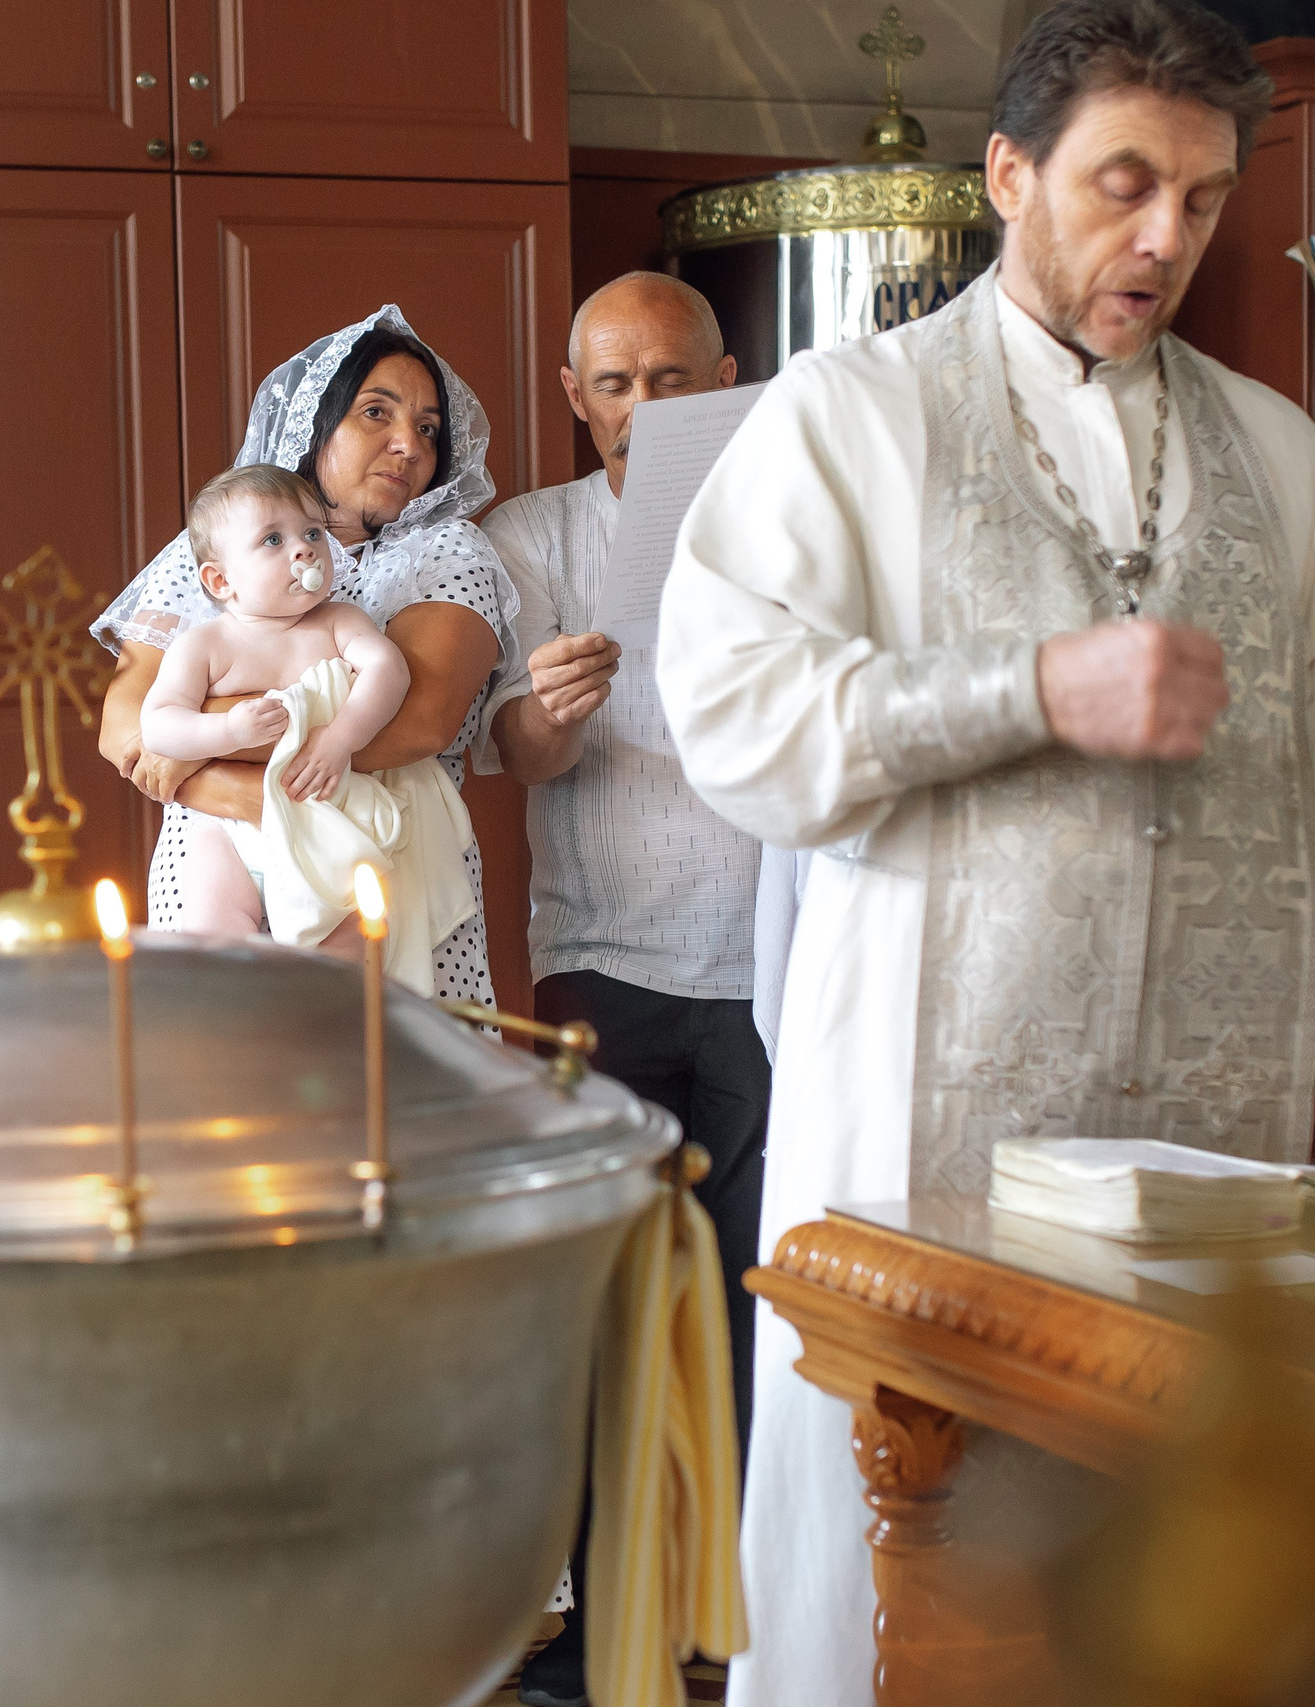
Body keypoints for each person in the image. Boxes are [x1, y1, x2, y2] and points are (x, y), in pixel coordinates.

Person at [653, 4, 1315, 1699]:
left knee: (1171, 1597)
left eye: (1203, 195)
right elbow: (733, 712)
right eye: (1121, 185)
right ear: (1010, 174)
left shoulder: (1283, 458)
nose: (1165, 237)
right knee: (896, 1605)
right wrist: (1028, 688)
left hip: (1213, 1158)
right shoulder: (851, 419)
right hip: (917, 1142)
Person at [476, 270, 765, 1707]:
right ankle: (602, 1647)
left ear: (730, 373)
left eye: (672, 381)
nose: (646, 411)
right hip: (602, 970)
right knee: (612, 1315)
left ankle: (742, 1635)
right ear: (572, 396)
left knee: (760, 1308)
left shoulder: (790, 513)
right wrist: (547, 710)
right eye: (614, 385)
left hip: (777, 968)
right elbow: (509, 757)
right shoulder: (532, 535)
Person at [93, 306, 520, 1012]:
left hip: (373, 865)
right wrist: (225, 776)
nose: (407, 445)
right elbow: (125, 721)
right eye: (376, 412)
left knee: (374, 1083)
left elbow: (420, 720)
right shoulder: (221, 542)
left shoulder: (447, 551)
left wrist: (199, 762)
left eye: (427, 429)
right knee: (229, 1080)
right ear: (313, 425)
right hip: (219, 860)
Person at [140, 463, 474, 986]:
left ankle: (331, 1031)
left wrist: (341, 738)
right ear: (220, 580)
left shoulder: (339, 622)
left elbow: (389, 671)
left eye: (313, 533)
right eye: (273, 539)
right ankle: (237, 1021)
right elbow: (158, 725)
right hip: (233, 832)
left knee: (347, 952)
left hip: (329, 826)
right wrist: (227, 732)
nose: (303, 549)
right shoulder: (205, 646)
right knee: (212, 937)